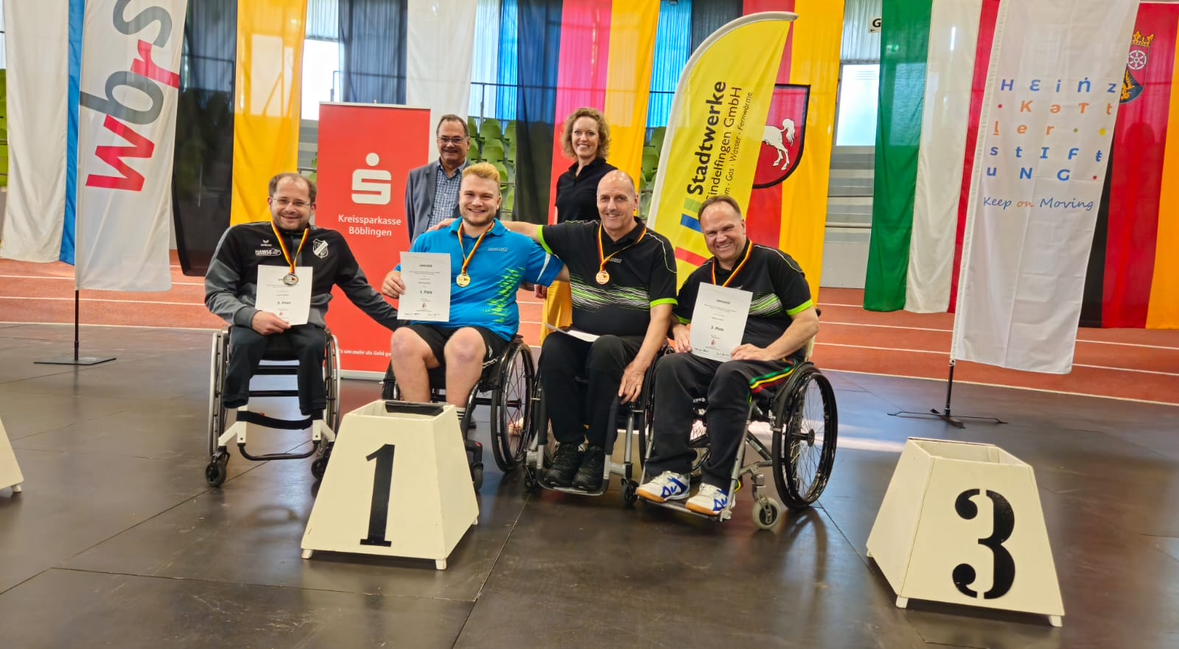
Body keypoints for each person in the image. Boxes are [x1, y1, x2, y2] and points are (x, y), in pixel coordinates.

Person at [636, 196, 820, 517]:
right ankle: (672, 472)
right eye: (711, 233)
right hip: (717, 357)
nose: (720, 238)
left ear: (743, 225)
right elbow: (674, 315)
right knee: (671, 366)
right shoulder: (701, 276)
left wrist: (767, 351)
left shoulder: (775, 264)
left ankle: (719, 484)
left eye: (727, 228)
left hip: (773, 360)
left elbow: (808, 322)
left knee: (731, 374)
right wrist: (678, 330)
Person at [501, 170, 676, 492]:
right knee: (554, 346)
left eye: (620, 198)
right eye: (604, 199)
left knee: (607, 347)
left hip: (630, 342)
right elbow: (526, 229)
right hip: (583, 336)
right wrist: (465, 224)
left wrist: (640, 367)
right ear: (596, 202)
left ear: (635, 202)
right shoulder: (579, 234)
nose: (611, 206)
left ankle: (597, 450)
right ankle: (569, 446)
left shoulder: (657, 247)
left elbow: (661, 316)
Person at [205, 173, 401, 420]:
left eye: (299, 203)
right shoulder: (240, 237)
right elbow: (216, 293)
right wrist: (250, 316)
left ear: (312, 207)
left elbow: (362, 294)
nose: (290, 208)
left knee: (313, 344)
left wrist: (404, 324)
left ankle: (314, 416)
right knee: (245, 342)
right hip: (253, 321)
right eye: (283, 201)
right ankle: (234, 402)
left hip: (306, 324)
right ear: (270, 202)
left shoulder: (330, 242)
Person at [382, 163, 564, 422]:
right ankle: (421, 427)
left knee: (464, 342)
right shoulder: (430, 239)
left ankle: (453, 426)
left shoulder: (519, 245)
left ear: (498, 202)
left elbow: (569, 273)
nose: (477, 202)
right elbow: (401, 273)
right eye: (470, 194)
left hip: (486, 330)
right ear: (460, 197)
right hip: (433, 326)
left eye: (486, 196)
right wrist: (392, 279)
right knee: (402, 339)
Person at [541, 108, 619, 343]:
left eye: (590, 133)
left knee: (586, 336)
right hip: (562, 266)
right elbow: (557, 224)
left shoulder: (610, 177)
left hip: (593, 267)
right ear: (570, 137)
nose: (583, 138)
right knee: (553, 334)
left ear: (600, 139)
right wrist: (545, 268)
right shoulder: (564, 179)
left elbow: (618, 225)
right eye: (577, 132)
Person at [405, 114, 471, 244]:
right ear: (437, 142)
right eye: (444, 139)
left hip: (462, 252)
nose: (450, 144)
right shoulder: (416, 177)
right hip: (423, 250)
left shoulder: (480, 179)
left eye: (456, 139)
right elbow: (412, 222)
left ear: (468, 143)